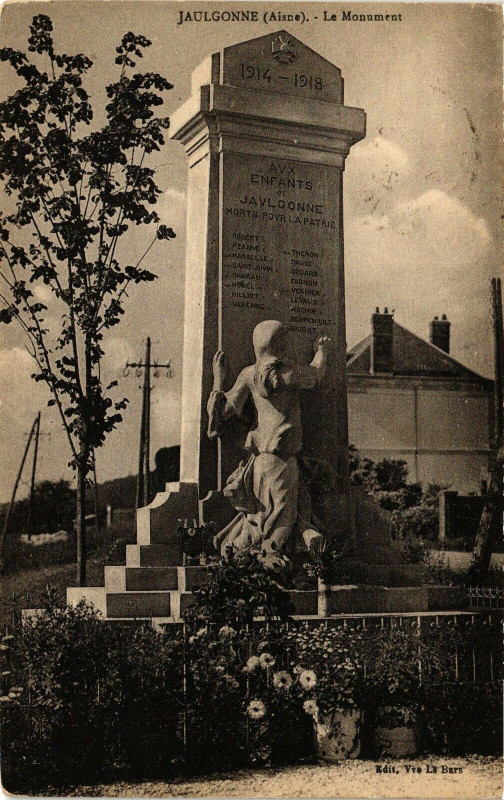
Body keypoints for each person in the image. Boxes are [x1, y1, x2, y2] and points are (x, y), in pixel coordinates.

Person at [207, 320, 331, 566]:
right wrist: (322, 352)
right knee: (278, 523)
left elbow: (223, 414)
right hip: (282, 463)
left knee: (262, 518)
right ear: (283, 346)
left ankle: (242, 556)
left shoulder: (248, 376)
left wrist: (218, 381)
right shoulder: (289, 374)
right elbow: (316, 375)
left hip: (259, 465)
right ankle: (261, 562)